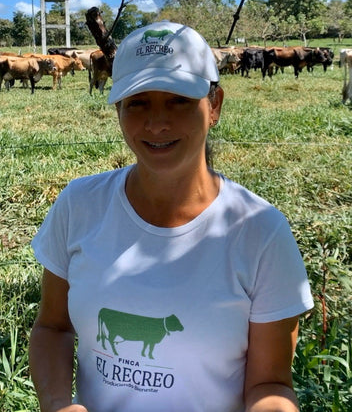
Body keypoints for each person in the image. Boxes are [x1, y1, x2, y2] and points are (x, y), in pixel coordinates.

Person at [29, 21, 314, 412]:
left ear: (214, 106)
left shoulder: (261, 232)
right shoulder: (79, 205)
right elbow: (52, 327)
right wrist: (59, 403)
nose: (157, 123)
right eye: (138, 102)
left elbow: (269, 384)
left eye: (179, 100)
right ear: (118, 110)